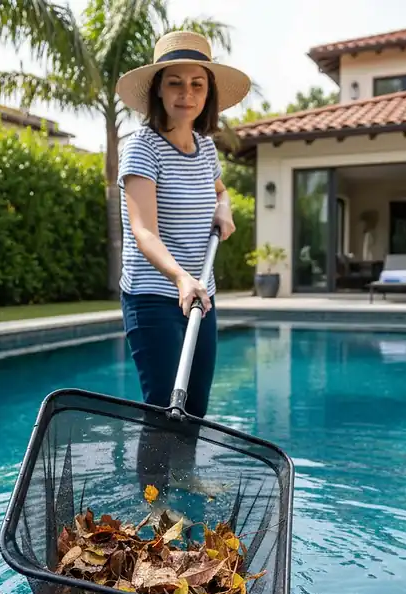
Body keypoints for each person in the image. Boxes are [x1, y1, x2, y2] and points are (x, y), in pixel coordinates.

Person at [115, 30, 251, 421]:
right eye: (174, 83)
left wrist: (223, 207)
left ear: (208, 93)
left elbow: (220, 191)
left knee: (194, 408)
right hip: (154, 295)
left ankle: (184, 480)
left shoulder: (205, 148)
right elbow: (143, 231)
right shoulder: (143, 147)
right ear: (158, 89)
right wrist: (180, 278)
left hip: (199, 297)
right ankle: (152, 486)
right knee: (162, 409)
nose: (185, 93)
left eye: (197, 84)